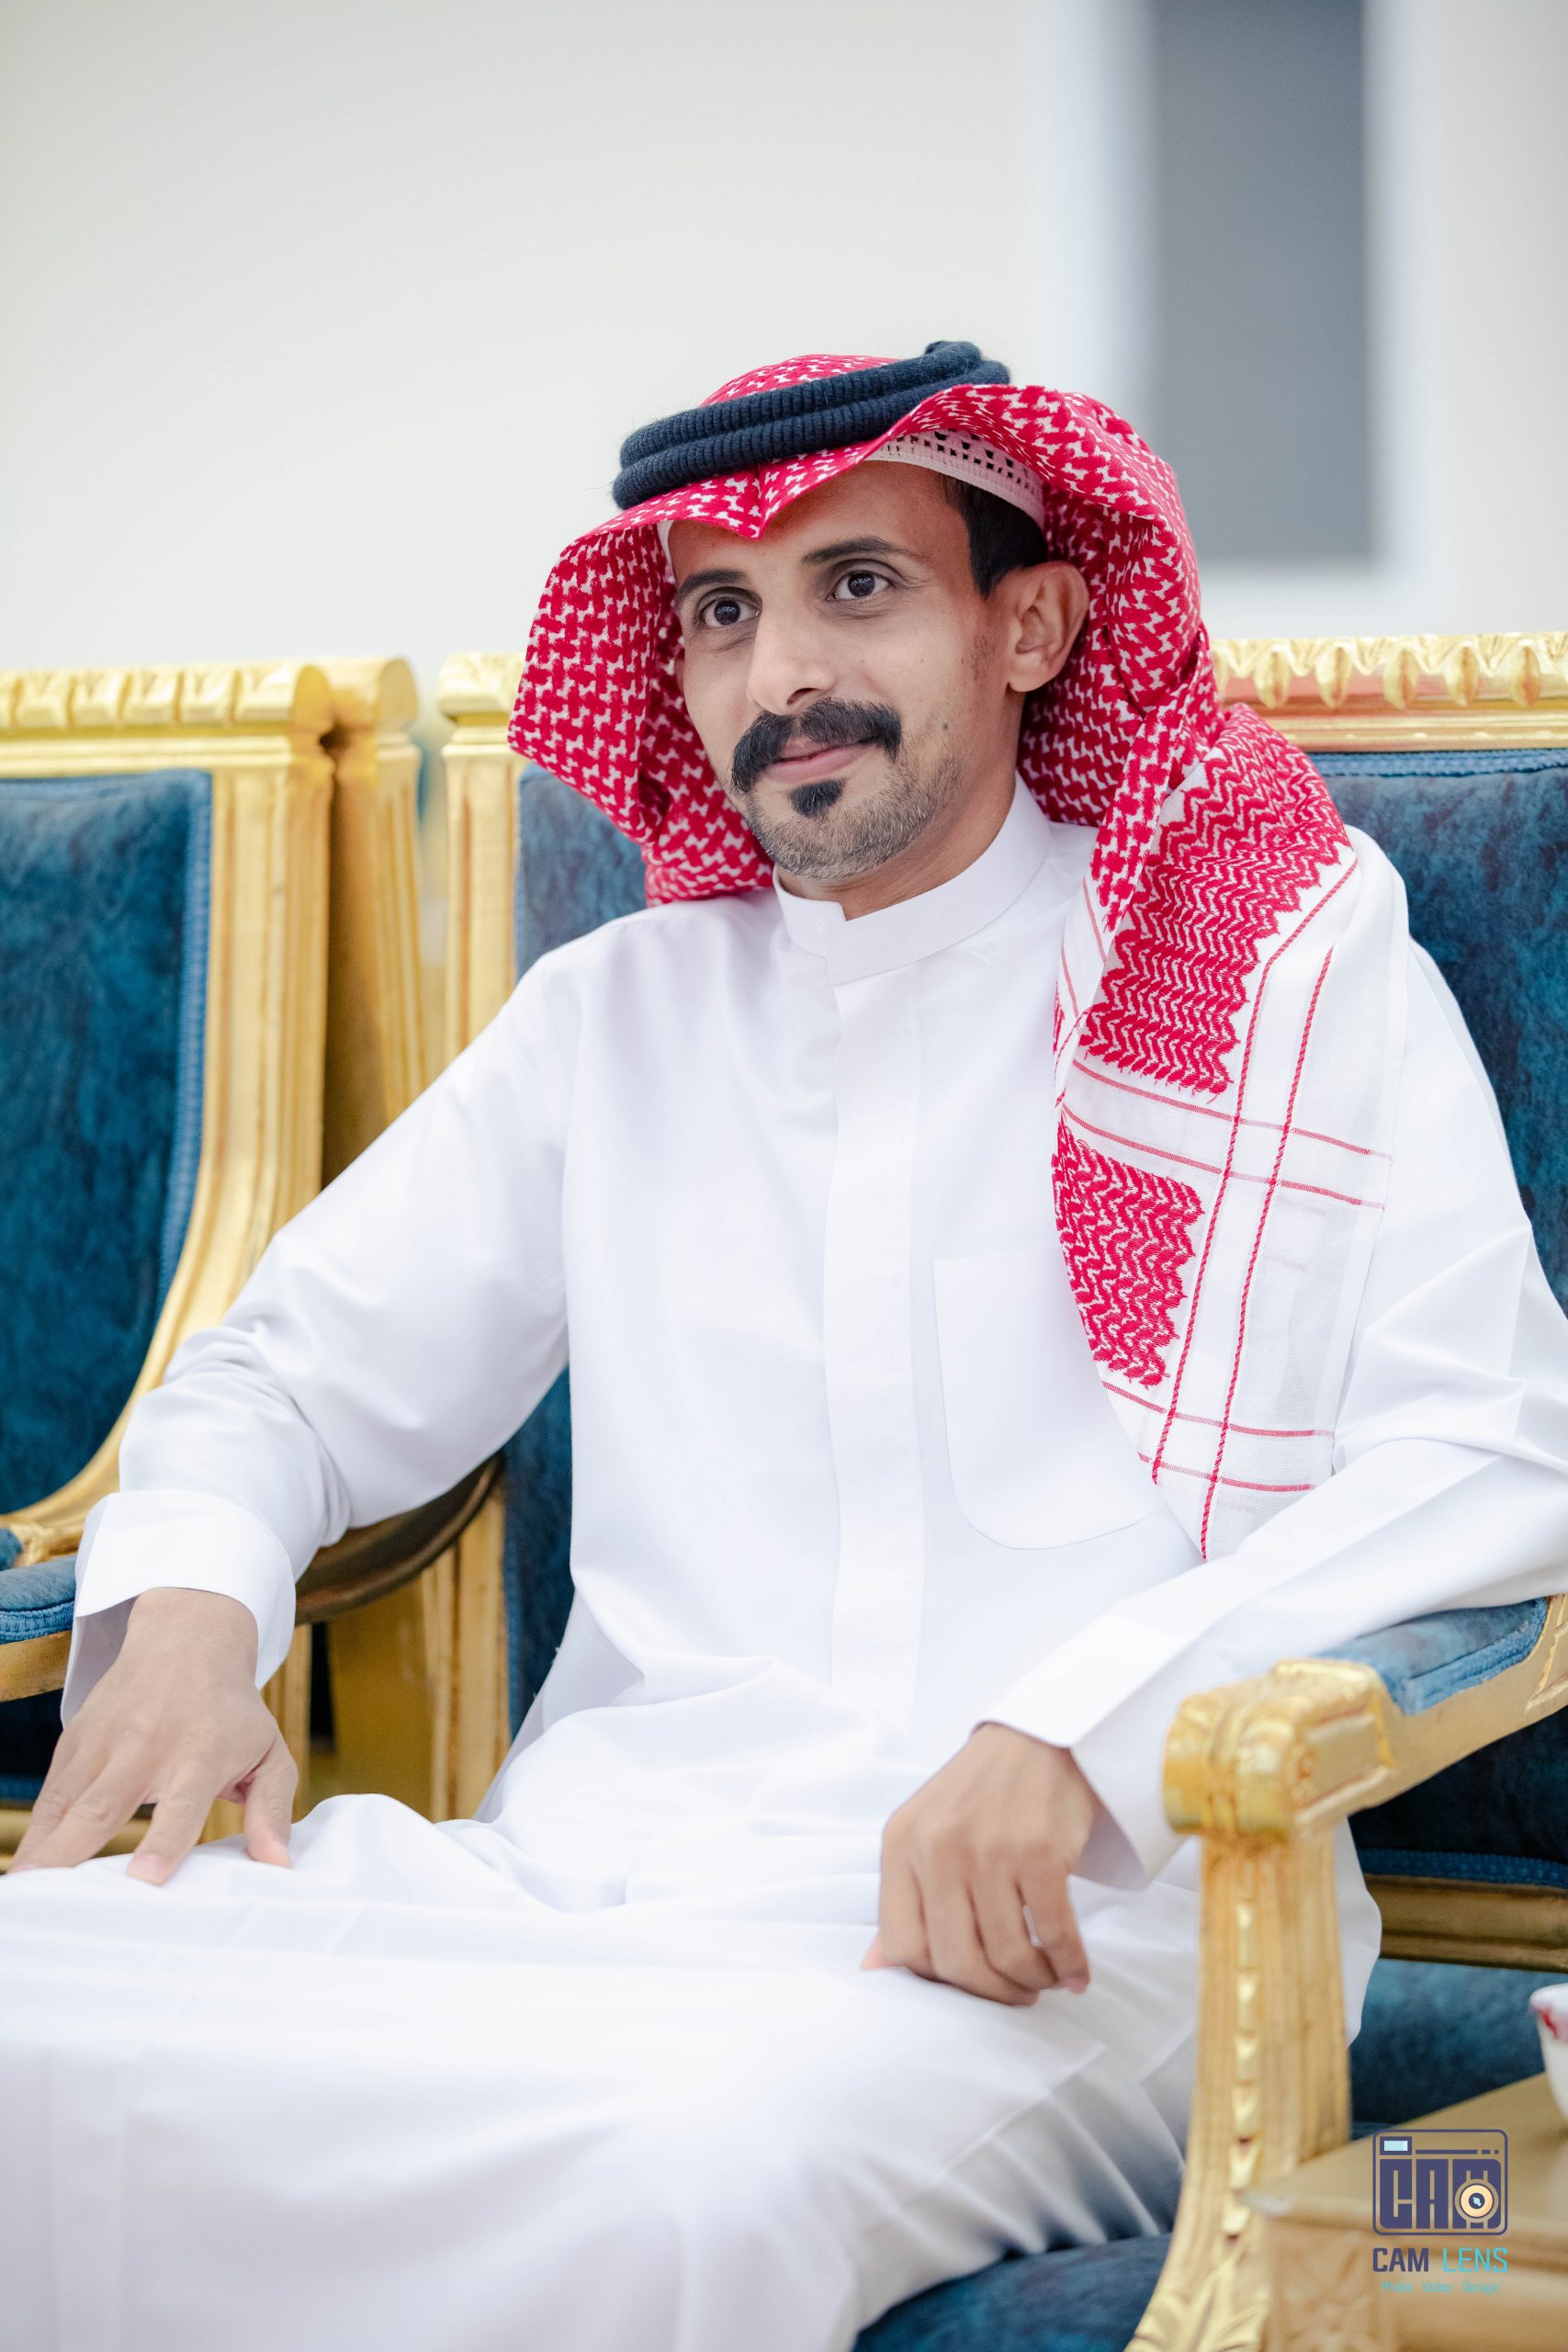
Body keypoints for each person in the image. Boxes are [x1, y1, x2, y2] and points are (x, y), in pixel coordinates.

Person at [4, 342, 1567, 2352]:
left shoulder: (1272, 963)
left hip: (1071, 1939)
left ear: (1031, 625)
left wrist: (1077, 1730)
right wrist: (193, 1616)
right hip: (583, 1885)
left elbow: (1497, 1448)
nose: (780, 674)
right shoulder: (622, 1014)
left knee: (684, 2171)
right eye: (722, 614)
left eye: (858, 586)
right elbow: (276, 1380)